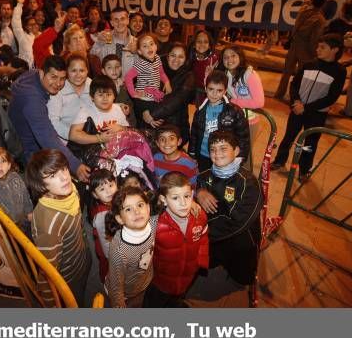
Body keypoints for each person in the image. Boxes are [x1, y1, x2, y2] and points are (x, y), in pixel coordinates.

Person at [271, 34, 347, 181]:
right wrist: (295, 102)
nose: (317, 49)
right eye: (318, 46)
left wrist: (306, 107)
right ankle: (279, 161)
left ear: (335, 50)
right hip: (297, 109)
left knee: (310, 143)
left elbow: (332, 97)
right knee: (289, 137)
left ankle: (304, 169)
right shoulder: (308, 64)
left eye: (322, 47)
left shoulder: (339, 71)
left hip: (316, 114)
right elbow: (294, 84)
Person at [24, 149, 91, 307]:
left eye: (64, 169)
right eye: (53, 176)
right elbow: (47, 272)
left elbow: (79, 223)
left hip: (82, 258)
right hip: (69, 279)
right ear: (41, 185)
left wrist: (86, 248)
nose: (64, 177)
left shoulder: (70, 189)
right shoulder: (49, 224)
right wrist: (52, 304)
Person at [195, 130, 263, 286]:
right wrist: (198, 192)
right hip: (213, 237)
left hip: (239, 241)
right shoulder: (204, 177)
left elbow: (239, 221)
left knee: (244, 279)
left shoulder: (249, 182)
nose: (217, 154)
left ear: (236, 151)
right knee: (203, 266)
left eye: (223, 148)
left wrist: (203, 233)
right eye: (213, 149)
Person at [9, 56, 91, 182]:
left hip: (28, 141)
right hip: (27, 151)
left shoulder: (33, 77)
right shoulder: (32, 98)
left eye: (62, 78)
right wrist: (76, 166)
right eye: (53, 77)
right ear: (42, 73)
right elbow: (47, 138)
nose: (58, 83)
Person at [144, 172, 208, 307]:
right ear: (164, 199)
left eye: (186, 196)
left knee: (177, 299)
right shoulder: (155, 225)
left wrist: (201, 261)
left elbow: (203, 237)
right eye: (175, 198)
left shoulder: (200, 216)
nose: (183, 203)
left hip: (188, 276)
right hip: (160, 281)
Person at [104, 186, 158, 307]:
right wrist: (119, 304)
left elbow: (173, 211)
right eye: (128, 209)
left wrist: (192, 204)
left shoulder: (154, 224)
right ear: (119, 219)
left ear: (148, 207)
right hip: (127, 294)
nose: (137, 211)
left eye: (140, 205)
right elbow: (116, 286)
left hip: (145, 282)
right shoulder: (119, 251)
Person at [189, 70, 250, 172]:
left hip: (224, 157)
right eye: (211, 89)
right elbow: (194, 134)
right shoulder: (200, 111)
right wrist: (192, 153)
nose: (214, 94)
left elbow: (243, 137)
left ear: (225, 91)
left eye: (219, 90)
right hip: (203, 155)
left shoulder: (234, 111)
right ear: (205, 88)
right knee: (205, 181)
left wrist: (240, 158)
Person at [275, 0, 327, 99]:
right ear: (323, 5)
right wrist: (314, 54)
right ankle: (295, 96)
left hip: (294, 45)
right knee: (301, 75)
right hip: (306, 50)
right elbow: (314, 38)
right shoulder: (320, 20)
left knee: (286, 72)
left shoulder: (303, 10)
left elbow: (308, 0)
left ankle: (279, 93)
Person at [141, 43, 195, 144]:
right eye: (173, 55)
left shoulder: (189, 76)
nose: (176, 60)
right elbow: (141, 92)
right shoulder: (155, 70)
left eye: (181, 57)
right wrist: (144, 111)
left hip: (175, 128)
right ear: (167, 56)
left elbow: (177, 100)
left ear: (186, 59)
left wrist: (152, 115)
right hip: (152, 126)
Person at [219, 46, 265, 159]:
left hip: (249, 121)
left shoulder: (250, 75)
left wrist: (233, 102)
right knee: (231, 152)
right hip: (232, 119)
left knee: (244, 156)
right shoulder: (225, 75)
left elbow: (259, 102)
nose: (229, 60)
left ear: (240, 57)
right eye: (226, 57)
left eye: (233, 56)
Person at [0, 146, 33, 235]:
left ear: (9, 165)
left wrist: (29, 211)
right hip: (5, 227)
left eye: (3, 161)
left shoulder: (15, 176)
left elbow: (25, 195)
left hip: (23, 220)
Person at [124, 33, 172, 125]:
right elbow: (128, 77)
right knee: (145, 123)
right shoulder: (141, 63)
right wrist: (133, 94)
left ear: (156, 47)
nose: (149, 47)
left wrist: (167, 82)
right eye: (145, 46)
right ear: (140, 52)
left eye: (151, 44)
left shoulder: (157, 58)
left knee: (156, 121)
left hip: (154, 97)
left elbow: (161, 73)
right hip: (143, 99)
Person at [69, 75, 128, 145]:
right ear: (92, 97)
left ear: (114, 96)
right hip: (94, 152)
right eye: (100, 95)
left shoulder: (118, 109)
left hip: (119, 150)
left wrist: (121, 128)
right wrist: (99, 138)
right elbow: (73, 135)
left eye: (108, 94)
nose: (105, 98)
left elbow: (130, 130)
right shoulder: (86, 111)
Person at [47, 54, 93, 142]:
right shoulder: (58, 89)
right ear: (67, 71)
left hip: (92, 137)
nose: (78, 75)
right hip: (66, 141)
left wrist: (118, 106)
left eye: (82, 70)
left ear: (87, 71)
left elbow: (103, 104)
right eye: (73, 70)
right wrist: (74, 135)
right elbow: (53, 121)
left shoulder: (93, 86)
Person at [88, 168, 118, 283]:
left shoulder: (114, 203)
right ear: (95, 195)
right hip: (111, 256)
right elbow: (107, 251)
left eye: (111, 185)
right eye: (102, 189)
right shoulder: (102, 216)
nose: (109, 191)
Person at [90, 7, 137, 76]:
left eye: (122, 19)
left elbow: (146, 67)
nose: (119, 22)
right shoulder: (104, 39)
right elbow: (92, 56)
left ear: (128, 21)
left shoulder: (137, 43)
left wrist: (137, 53)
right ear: (111, 23)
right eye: (116, 20)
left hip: (130, 85)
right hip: (108, 85)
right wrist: (99, 42)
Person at [101, 54, 136, 126]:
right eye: (109, 67)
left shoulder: (124, 85)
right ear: (103, 71)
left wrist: (128, 108)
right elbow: (100, 106)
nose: (114, 70)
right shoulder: (101, 88)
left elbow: (130, 103)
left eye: (117, 67)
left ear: (121, 68)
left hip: (128, 123)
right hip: (111, 124)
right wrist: (118, 106)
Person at [189, 30, 219, 107]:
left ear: (209, 45)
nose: (202, 44)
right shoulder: (190, 57)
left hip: (211, 90)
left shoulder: (215, 58)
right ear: (194, 45)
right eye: (199, 41)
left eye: (205, 42)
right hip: (196, 90)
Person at [12, 0, 40, 69]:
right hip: (25, 70)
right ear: (26, 27)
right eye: (30, 25)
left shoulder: (43, 35)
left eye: (34, 24)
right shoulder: (22, 36)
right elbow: (16, 22)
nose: (33, 26)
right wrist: (19, 4)